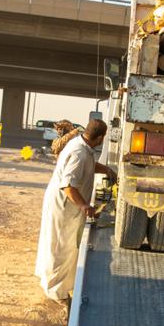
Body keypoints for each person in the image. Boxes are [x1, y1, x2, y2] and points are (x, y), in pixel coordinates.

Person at [35, 119, 115, 306]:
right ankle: (57, 293)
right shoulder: (79, 152)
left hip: (64, 203)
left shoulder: (80, 145)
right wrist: (85, 206)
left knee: (59, 244)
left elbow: (88, 166)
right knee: (61, 248)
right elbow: (68, 186)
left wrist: (106, 170)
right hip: (65, 205)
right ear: (101, 138)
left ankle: (54, 286)